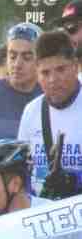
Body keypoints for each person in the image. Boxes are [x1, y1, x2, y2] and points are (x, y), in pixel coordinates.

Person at [18, 30, 82, 196]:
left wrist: (76, 180)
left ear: (75, 67)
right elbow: (22, 170)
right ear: (37, 74)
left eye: (60, 69)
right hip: (42, 212)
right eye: (45, 73)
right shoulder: (31, 111)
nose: (53, 79)